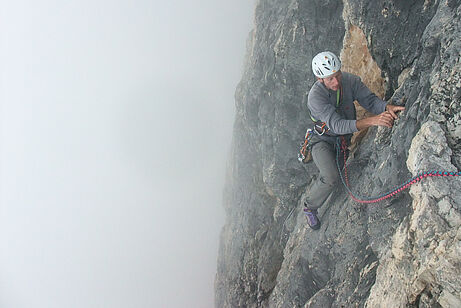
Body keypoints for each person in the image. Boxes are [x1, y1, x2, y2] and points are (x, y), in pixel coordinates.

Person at [303, 51, 405, 230]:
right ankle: (309, 207)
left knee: (339, 176)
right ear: (320, 79)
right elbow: (336, 125)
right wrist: (373, 121)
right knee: (331, 177)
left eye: (337, 75)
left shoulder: (350, 81)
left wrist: (386, 107)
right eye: (330, 79)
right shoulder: (315, 98)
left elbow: (370, 101)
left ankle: (320, 181)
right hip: (322, 141)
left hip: (342, 140)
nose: (336, 82)